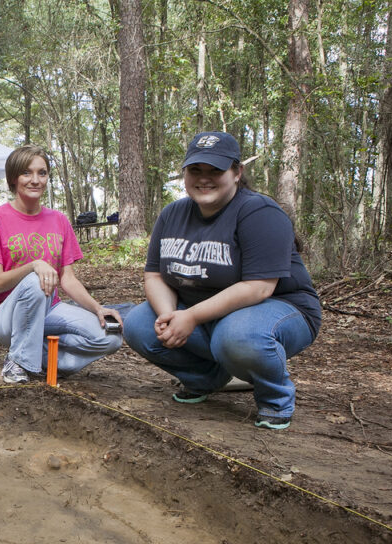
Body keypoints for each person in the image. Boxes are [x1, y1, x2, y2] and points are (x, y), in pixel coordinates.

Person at [122, 131, 321, 430]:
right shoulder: (172, 213)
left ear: (237, 172)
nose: (205, 178)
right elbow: (154, 275)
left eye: (216, 170)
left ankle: (275, 398)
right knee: (138, 324)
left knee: (236, 335)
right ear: (185, 174)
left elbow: (259, 287)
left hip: (278, 309)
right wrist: (168, 315)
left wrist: (189, 316)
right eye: (196, 170)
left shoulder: (259, 211)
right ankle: (205, 378)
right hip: (202, 313)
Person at [0, 145, 123, 383]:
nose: (35, 180)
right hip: (5, 316)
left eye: (42, 173)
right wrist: (33, 265)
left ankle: (35, 357)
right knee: (35, 279)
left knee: (109, 338)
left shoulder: (59, 220)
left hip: (50, 310)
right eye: (27, 173)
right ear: (13, 178)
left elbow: (67, 279)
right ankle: (18, 362)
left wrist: (98, 308)